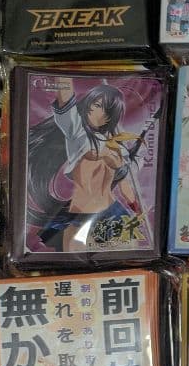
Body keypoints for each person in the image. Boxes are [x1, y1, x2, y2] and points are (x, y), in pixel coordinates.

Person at [26, 77, 144, 253]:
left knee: (129, 257)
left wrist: (135, 205)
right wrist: (62, 72)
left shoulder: (119, 147)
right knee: (73, 260)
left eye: (99, 106)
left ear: (109, 116)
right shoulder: (78, 135)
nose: (91, 108)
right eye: (93, 103)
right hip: (80, 214)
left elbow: (124, 182)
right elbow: (66, 99)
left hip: (114, 210)